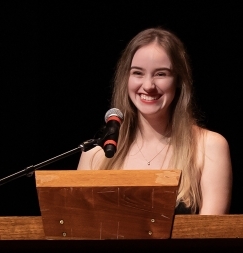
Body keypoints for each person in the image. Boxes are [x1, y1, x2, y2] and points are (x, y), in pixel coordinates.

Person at [77, 28, 232, 215]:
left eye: (161, 74)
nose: (148, 86)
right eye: (138, 73)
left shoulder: (209, 147)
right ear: (126, 78)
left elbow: (210, 236)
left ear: (178, 80)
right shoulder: (95, 155)